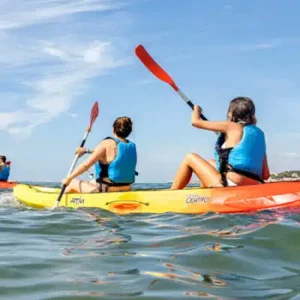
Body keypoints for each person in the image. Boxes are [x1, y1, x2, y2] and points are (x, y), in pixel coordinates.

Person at [171, 97, 270, 189]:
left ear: (230, 114)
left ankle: (171, 195)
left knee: (190, 157)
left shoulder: (231, 126)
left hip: (232, 185)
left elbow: (195, 122)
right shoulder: (258, 135)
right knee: (210, 163)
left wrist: (196, 109)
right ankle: (204, 195)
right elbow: (266, 175)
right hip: (255, 185)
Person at [62, 117, 137, 193]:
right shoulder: (130, 145)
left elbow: (87, 164)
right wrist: (85, 150)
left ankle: (59, 200)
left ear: (113, 129)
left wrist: (69, 178)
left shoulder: (107, 143)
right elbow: (108, 154)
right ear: (129, 131)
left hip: (107, 189)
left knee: (72, 182)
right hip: (126, 188)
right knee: (91, 182)